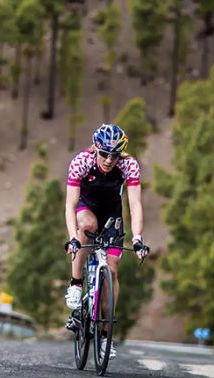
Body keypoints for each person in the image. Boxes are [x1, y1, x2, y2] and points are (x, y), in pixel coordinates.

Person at [63, 123, 150, 359]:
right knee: (87, 226)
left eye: (114, 154)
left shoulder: (128, 165)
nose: (109, 160)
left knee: (111, 271)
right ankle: (76, 283)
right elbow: (70, 204)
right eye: (104, 153)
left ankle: (104, 334)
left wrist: (138, 237)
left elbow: (134, 204)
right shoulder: (82, 161)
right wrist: (73, 237)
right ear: (96, 149)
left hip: (112, 214)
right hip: (86, 208)